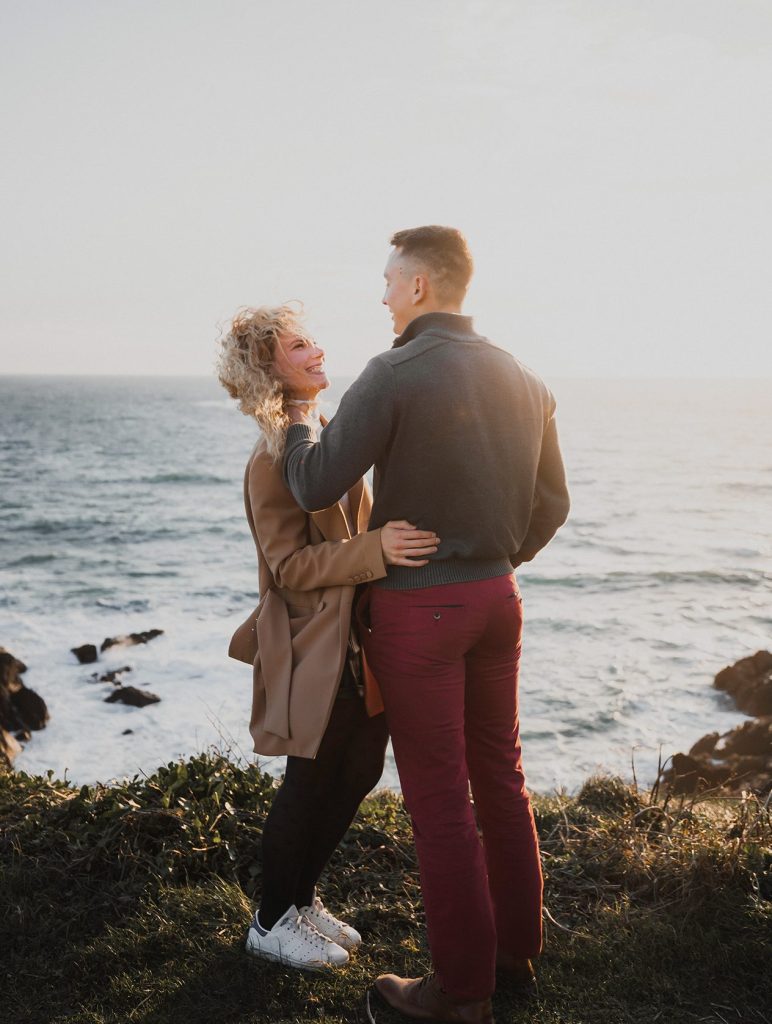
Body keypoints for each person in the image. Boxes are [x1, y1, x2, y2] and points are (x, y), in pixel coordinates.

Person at [282, 227, 570, 1022]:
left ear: (418, 286)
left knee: (440, 802)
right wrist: (493, 558)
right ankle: (513, 956)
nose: (381, 296)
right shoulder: (525, 376)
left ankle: (462, 994)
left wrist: (299, 416)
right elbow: (554, 505)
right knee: (502, 779)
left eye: (388, 281)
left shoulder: (394, 371)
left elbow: (313, 484)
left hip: (422, 614)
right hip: (498, 600)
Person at [217, 303, 439, 972]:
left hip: (359, 640)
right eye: (297, 347)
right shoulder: (272, 457)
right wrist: (377, 549)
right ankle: (269, 921)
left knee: (361, 768)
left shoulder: (324, 433)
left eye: (312, 341)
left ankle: (301, 900)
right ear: (268, 370)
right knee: (308, 782)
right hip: (314, 647)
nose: (317, 351)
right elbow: (288, 567)